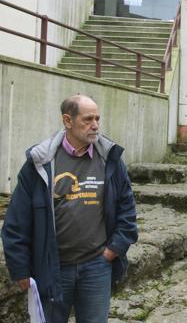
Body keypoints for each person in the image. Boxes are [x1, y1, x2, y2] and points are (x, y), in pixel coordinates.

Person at [1, 94, 138, 323]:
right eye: (87, 119)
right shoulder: (40, 163)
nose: (95, 125)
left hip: (97, 265)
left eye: (97, 118)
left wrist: (114, 249)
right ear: (67, 121)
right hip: (52, 269)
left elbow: (127, 208)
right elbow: (16, 221)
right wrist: (20, 269)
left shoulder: (109, 159)